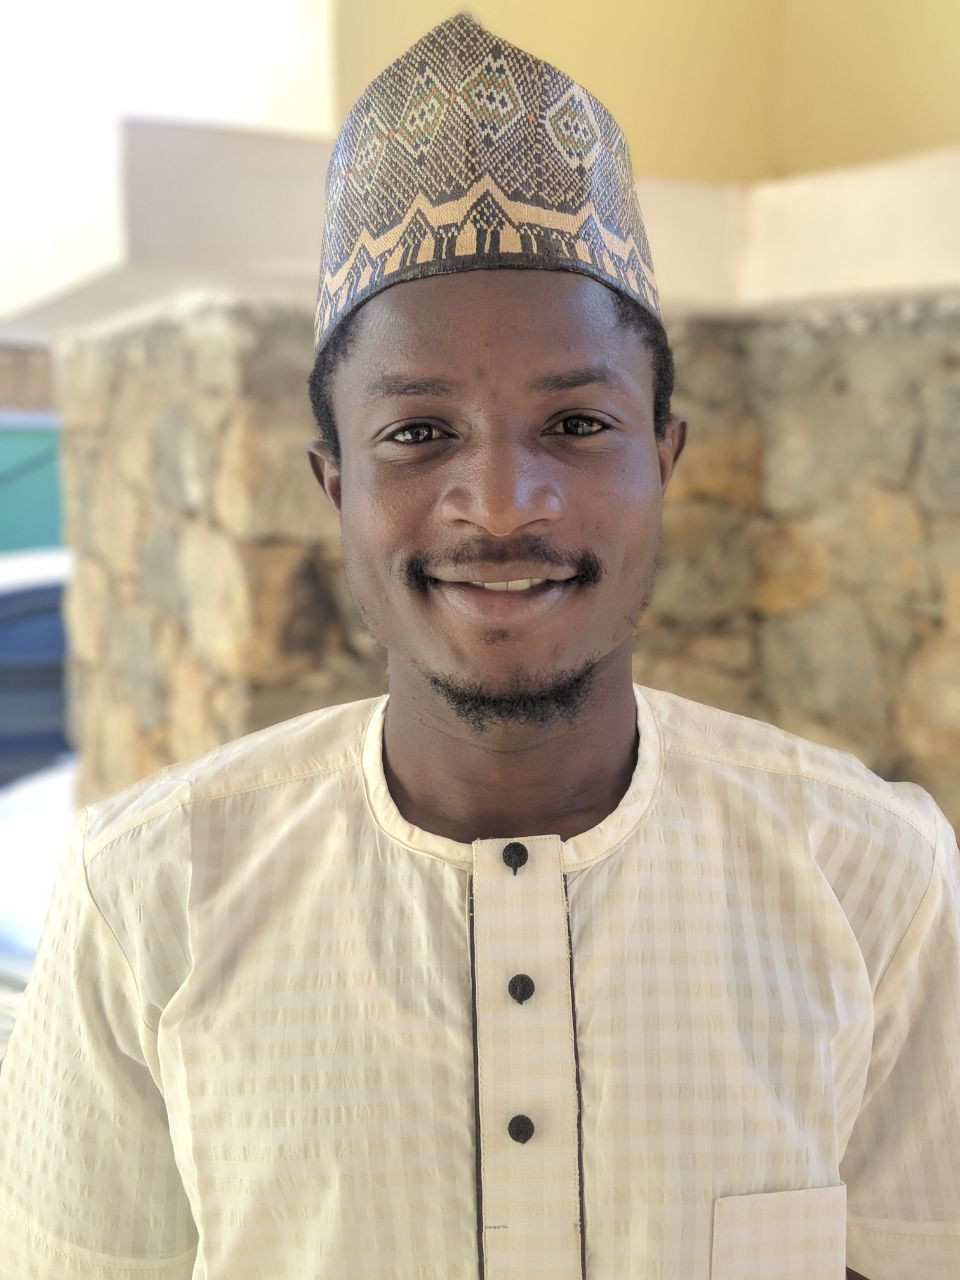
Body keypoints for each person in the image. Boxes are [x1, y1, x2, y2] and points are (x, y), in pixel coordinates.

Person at [0, 13, 957, 1279]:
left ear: (663, 458)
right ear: (334, 482)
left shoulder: (874, 878)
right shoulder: (146, 903)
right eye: (418, 433)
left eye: (577, 422)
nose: (502, 504)